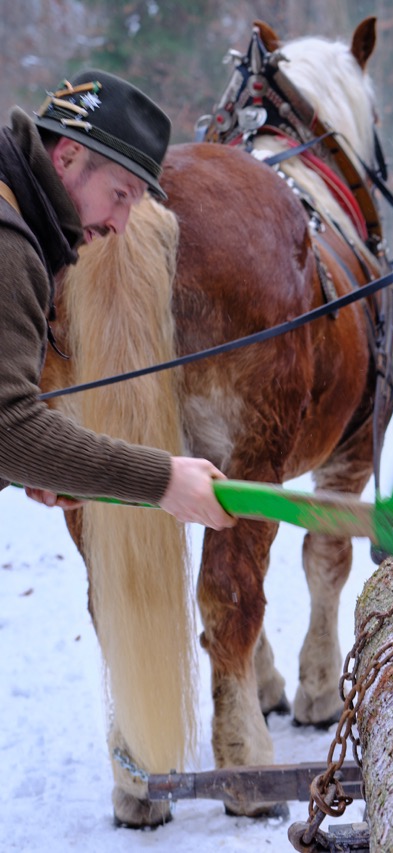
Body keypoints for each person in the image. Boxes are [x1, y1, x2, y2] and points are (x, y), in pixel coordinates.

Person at [0, 69, 234, 530]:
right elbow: (7, 428)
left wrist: (40, 462)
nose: (120, 225)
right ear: (68, 156)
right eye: (120, 195)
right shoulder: (9, 246)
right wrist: (163, 480)